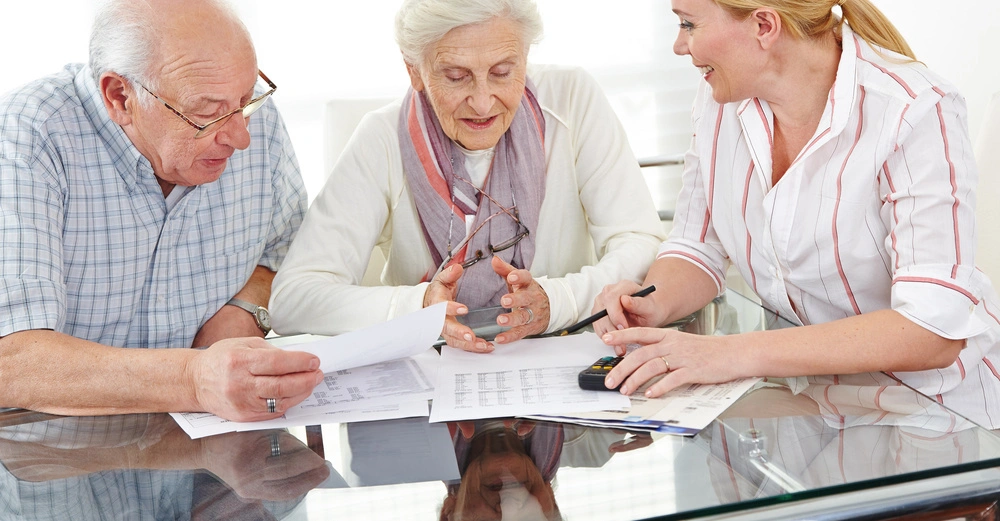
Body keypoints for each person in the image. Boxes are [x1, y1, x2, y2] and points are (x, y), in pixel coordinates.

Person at [593, 0, 1000, 429]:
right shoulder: (720, 100)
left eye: (689, 24)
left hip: (937, 416)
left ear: (764, 25)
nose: (679, 45)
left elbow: (931, 331)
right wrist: (654, 301)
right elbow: (697, 246)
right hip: (810, 404)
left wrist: (728, 353)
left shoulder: (913, 109)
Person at [269, 0, 666, 352]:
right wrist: (419, 307)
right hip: (430, 390)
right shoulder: (381, 137)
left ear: (525, 57)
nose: (481, 101)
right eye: (456, 76)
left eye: (502, 72)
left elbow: (642, 243)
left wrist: (557, 301)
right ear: (415, 71)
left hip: (562, 362)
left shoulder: (573, 99)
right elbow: (293, 300)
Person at [0, 0, 323, 421]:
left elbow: (286, 251)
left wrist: (243, 310)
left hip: (206, 456)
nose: (241, 137)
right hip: (55, 451)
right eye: (207, 112)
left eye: (246, 99)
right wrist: (194, 379)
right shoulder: (28, 136)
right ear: (120, 97)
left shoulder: (250, 118)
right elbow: (13, 359)